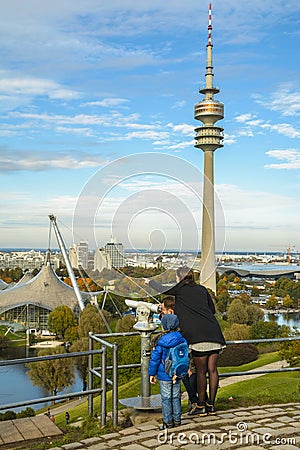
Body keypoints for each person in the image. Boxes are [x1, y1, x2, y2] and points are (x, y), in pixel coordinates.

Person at [145, 266, 226, 416]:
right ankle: (211, 405)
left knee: (201, 372)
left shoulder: (181, 289)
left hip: (197, 336)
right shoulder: (202, 290)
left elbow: (163, 289)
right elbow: (212, 310)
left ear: (180, 278)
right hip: (214, 333)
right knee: (213, 371)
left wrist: (149, 281)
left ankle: (201, 405)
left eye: (177, 278)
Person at [148, 314, 187, 429]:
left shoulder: (161, 342)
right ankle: (177, 420)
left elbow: (155, 359)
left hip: (164, 374)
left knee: (166, 398)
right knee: (175, 397)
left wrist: (152, 374)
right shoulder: (181, 339)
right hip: (177, 373)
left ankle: (168, 422)